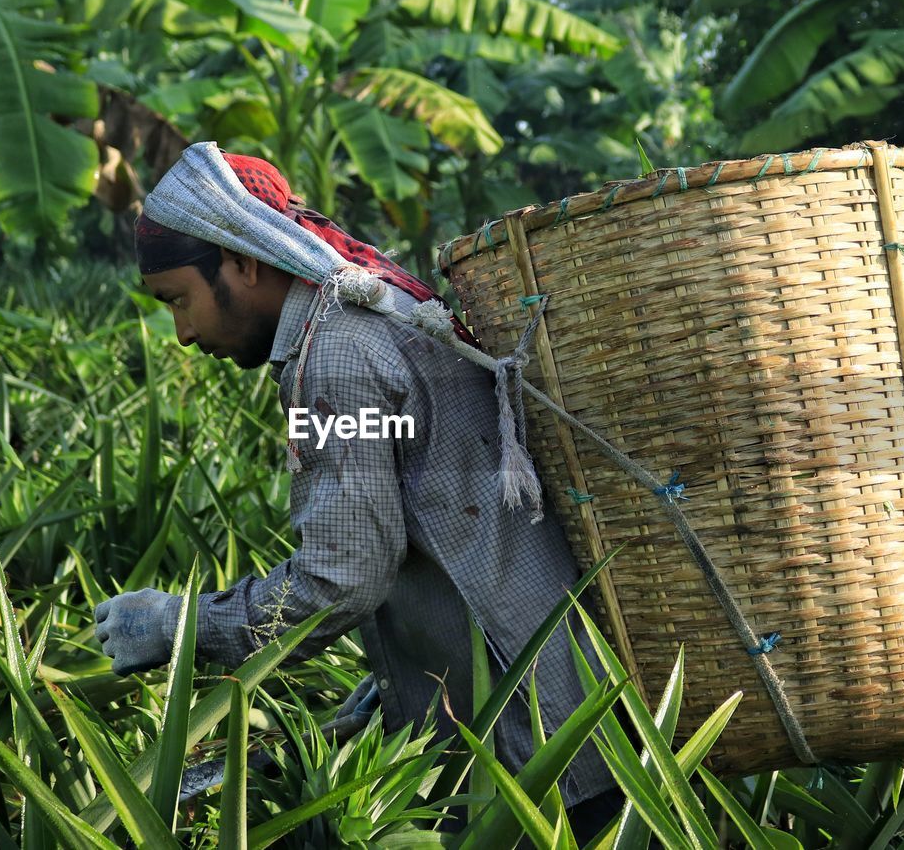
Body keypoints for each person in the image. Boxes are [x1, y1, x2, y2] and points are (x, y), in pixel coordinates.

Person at [93, 143, 627, 839]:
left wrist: (182, 625)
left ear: (242, 262)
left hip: (527, 742)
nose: (184, 332)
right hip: (568, 711)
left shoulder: (337, 354)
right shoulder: (371, 310)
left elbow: (340, 582)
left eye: (179, 301)